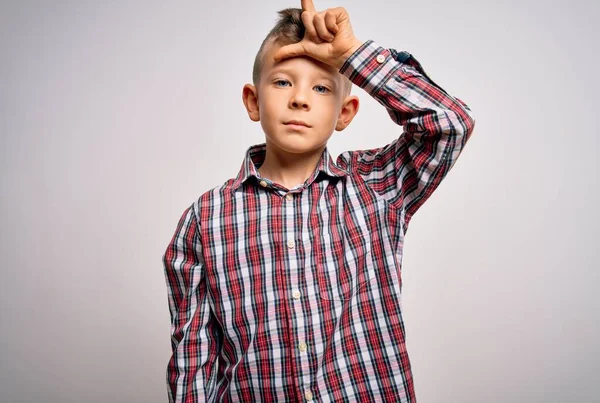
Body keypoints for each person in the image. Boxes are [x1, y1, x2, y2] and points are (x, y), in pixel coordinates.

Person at [162, 0, 476, 401]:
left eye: (321, 87)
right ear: (253, 101)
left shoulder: (374, 188)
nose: (300, 99)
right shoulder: (204, 220)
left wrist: (351, 56)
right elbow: (194, 361)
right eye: (282, 82)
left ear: (345, 112)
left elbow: (451, 123)